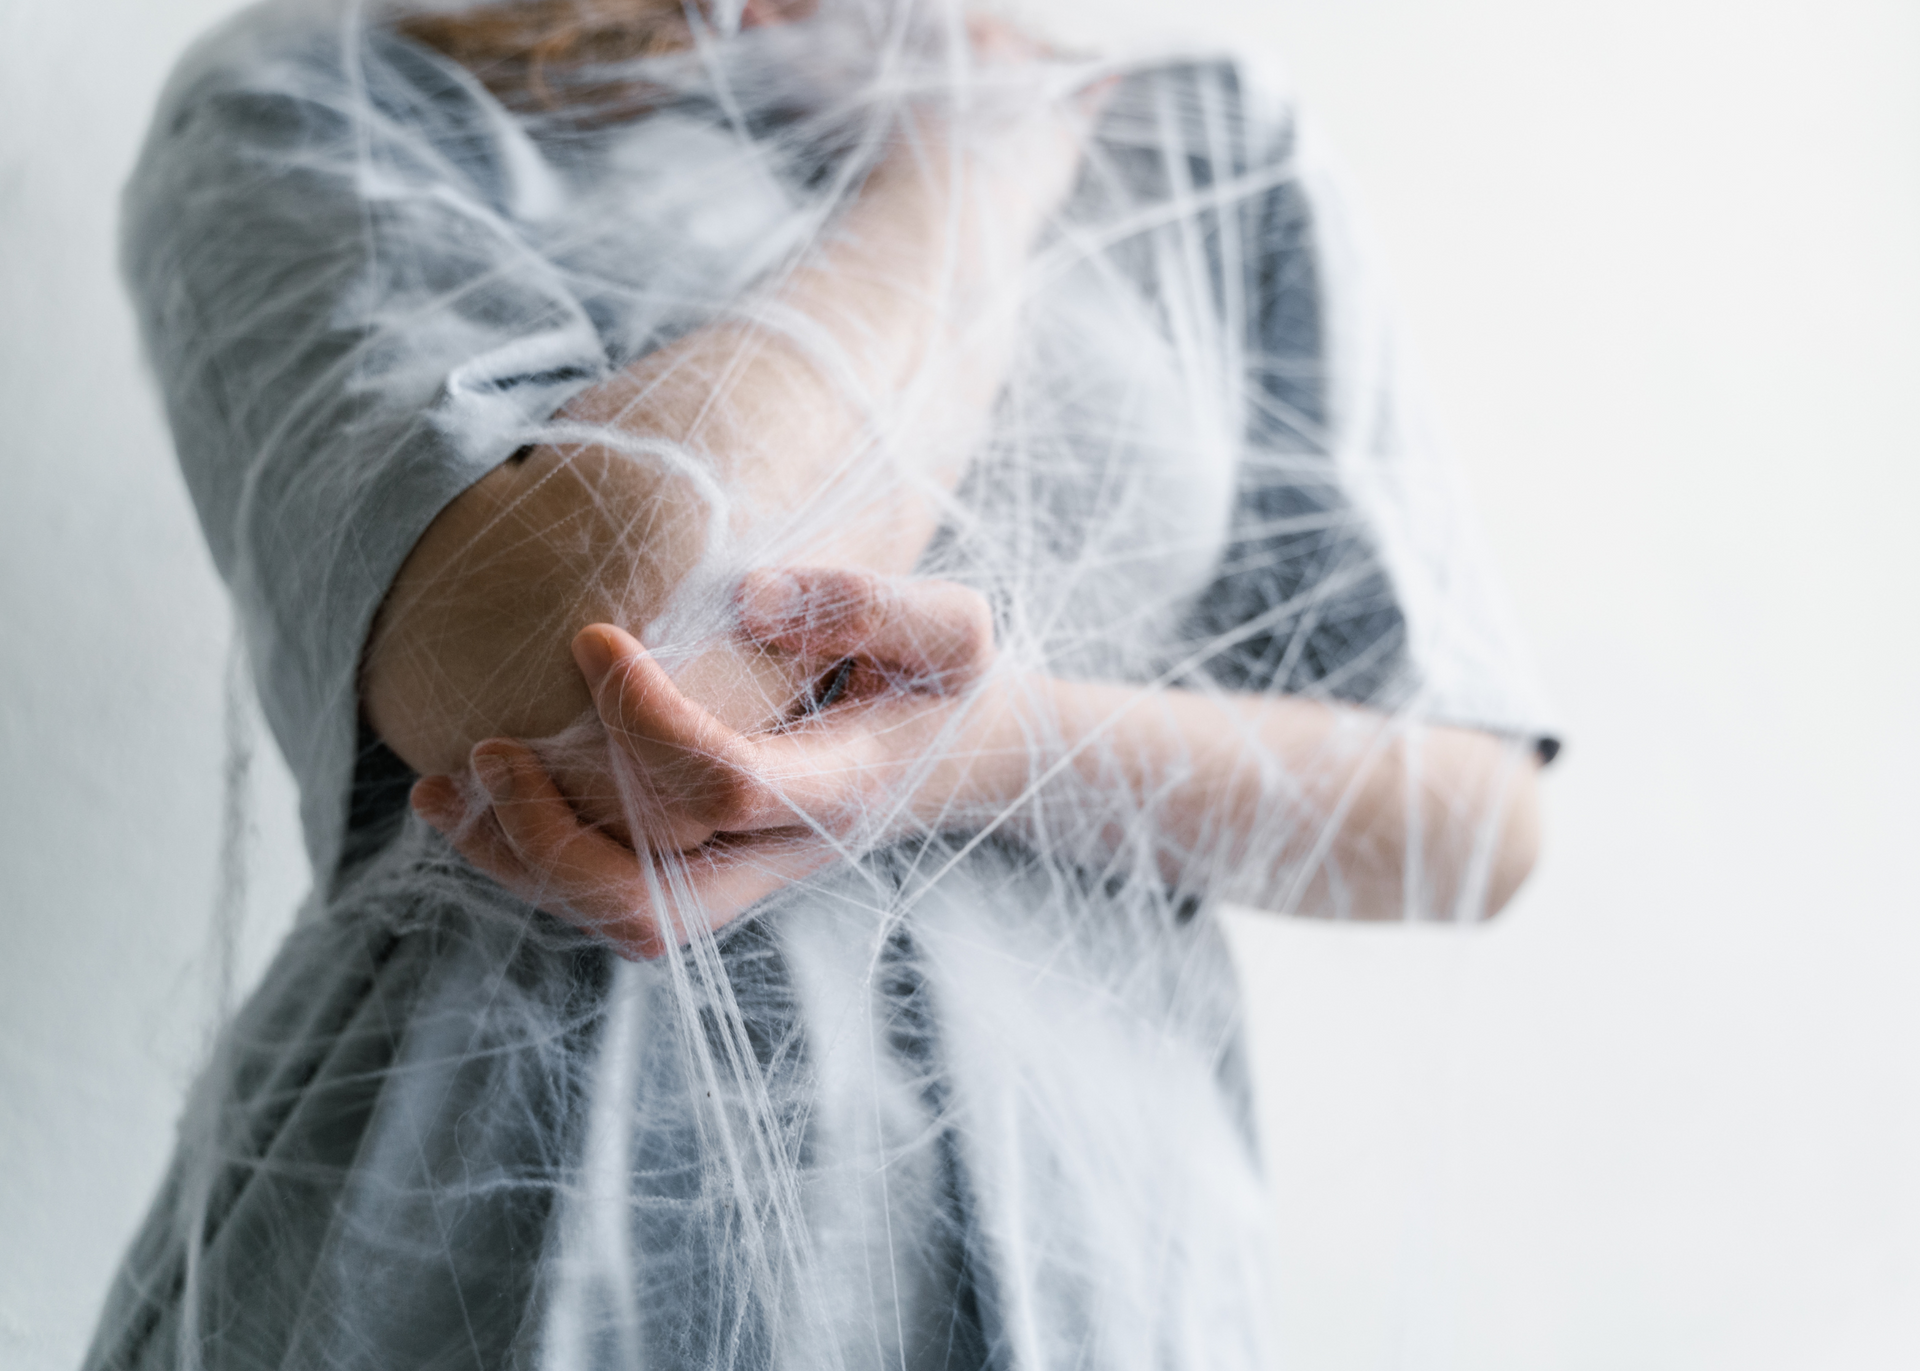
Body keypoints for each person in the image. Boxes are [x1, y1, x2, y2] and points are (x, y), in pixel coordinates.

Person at [90, 0, 1555, 1366]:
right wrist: (963, 186)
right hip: (522, 1266)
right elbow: (613, 684)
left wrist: (982, 751)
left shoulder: (1205, 138)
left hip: (1094, 1273)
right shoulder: (350, 81)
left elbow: (1469, 812)